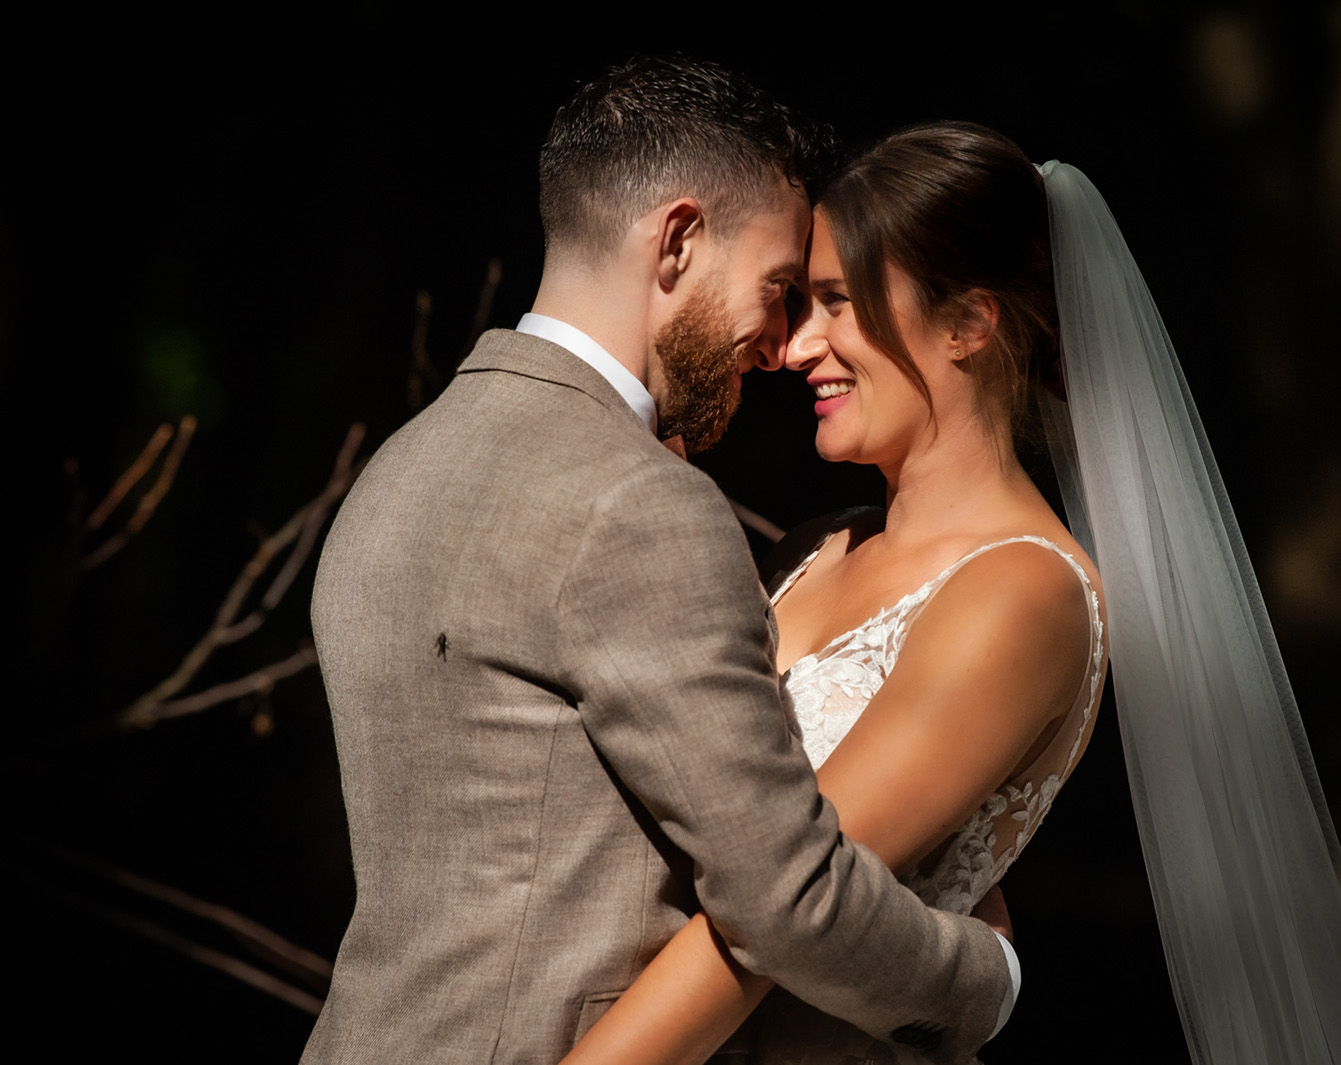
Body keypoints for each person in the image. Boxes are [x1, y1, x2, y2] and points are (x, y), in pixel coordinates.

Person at [566, 122, 1341, 1065]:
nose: (797, 346)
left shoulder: (1023, 594)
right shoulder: (816, 547)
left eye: (838, 303)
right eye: (801, 302)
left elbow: (785, 903)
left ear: (969, 323)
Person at [300, 64, 1016, 1065]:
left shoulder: (399, 471)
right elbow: (787, 896)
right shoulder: (639, 504)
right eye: (776, 288)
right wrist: (982, 979)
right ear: (677, 241)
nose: (777, 347)